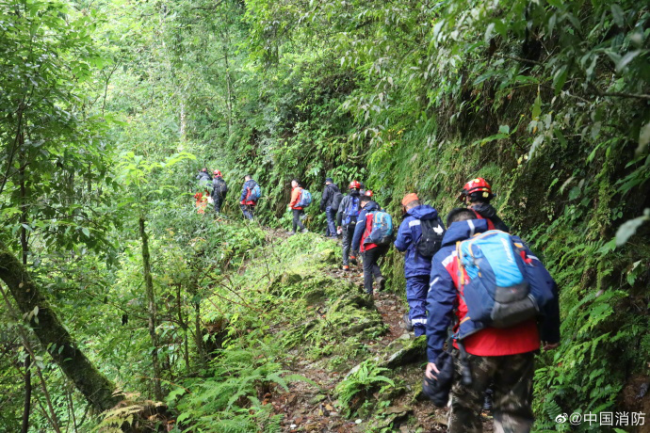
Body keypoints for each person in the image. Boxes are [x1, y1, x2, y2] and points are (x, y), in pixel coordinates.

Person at [425, 208, 560, 433]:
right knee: (513, 413)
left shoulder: (448, 254)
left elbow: (438, 308)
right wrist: (550, 333)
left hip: (475, 346)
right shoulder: (513, 244)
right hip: (523, 341)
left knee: (465, 412)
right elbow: (548, 286)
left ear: (450, 228)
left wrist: (433, 356)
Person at [394, 193, 444, 337]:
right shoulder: (435, 218)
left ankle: (421, 338)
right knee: (435, 301)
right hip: (437, 267)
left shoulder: (408, 221)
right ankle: (438, 337)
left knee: (417, 302)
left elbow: (400, 245)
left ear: (405, 207)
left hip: (416, 268)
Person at [351, 195, 390, 295]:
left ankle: (368, 293)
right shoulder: (381, 210)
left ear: (363, 203)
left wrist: (353, 250)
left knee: (367, 268)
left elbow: (358, 230)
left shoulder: (364, 212)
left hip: (369, 243)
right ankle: (379, 277)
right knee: (371, 262)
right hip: (382, 244)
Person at [336, 180, 362, 271]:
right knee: (357, 241)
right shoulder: (362, 199)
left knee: (346, 243)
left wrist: (338, 224)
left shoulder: (345, 198)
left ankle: (345, 265)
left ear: (350, 189)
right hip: (358, 224)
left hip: (346, 224)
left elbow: (340, 212)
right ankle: (354, 256)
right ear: (359, 189)